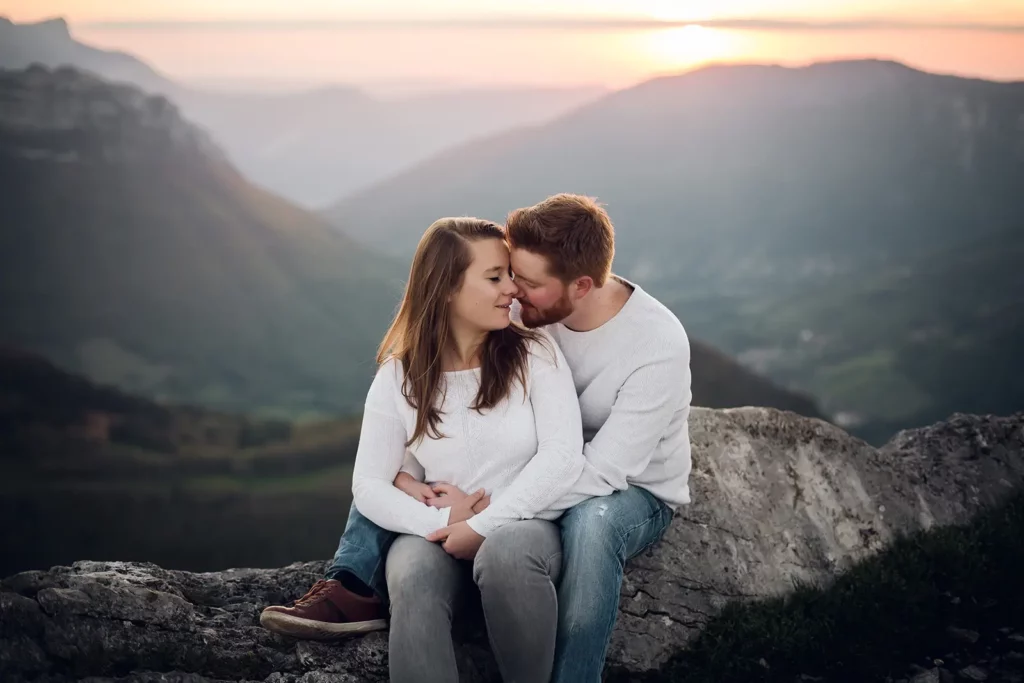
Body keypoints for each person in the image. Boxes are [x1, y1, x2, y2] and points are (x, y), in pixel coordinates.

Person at [263, 194, 693, 683]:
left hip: (621, 482)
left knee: (587, 530)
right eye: (504, 275)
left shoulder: (641, 344)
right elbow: (388, 467)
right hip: (495, 494)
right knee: (411, 569)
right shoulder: (508, 324)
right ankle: (352, 581)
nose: (514, 291)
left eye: (524, 282)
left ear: (580, 286)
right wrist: (423, 494)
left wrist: (482, 519)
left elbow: (589, 467)